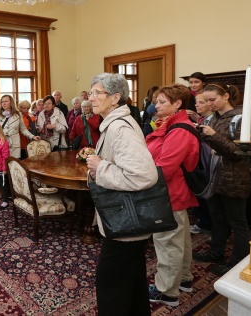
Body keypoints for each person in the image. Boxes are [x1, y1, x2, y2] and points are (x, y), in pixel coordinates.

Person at [85, 73, 157, 316]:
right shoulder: (114, 123)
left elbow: (144, 175)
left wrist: (100, 167)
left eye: (97, 93)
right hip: (127, 223)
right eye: (91, 92)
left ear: (115, 98)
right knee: (132, 284)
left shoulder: (119, 128)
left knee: (111, 288)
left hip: (125, 224)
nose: (91, 97)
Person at [145, 84, 199, 307]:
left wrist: (139, 177)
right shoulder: (173, 125)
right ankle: (184, 279)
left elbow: (164, 168)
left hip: (169, 193)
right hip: (174, 191)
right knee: (180, 239)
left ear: (178, 104)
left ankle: (167, 291)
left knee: (168, 243)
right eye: (156, 101)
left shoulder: (179, 130)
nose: (155, 105)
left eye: (161, 102)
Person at [194, 83, 251, 276]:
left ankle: (237, 262)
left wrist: (214, 136)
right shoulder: (213, 118)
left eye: (213, 100)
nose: (210, 104)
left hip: (235, 178)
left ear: (226, 96)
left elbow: (239, 152)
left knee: (238, 222)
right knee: (217, 217)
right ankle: (216, 252)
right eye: (207, 100)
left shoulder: (240, 117)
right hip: (215, 175)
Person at [188, 93, 214, 235]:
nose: (196, 105)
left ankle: (208, 224)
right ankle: (204, 221)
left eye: (200, 102)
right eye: (196, 102)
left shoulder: (212, 120)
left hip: (208, 162)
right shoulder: (203, 118)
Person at [0, 94, 39, 159]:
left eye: (6, 101)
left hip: (14, 144)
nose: (4, 103)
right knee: (2, 165)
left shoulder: (18, 114)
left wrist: (32, 136)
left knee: (13, 164)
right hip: (1, 143)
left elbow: (23, 129)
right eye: (2, 102)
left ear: (11, 103)